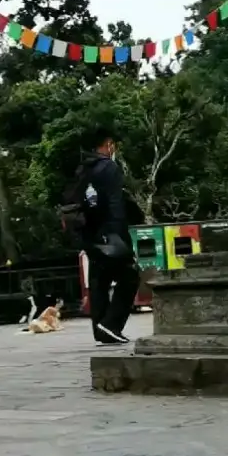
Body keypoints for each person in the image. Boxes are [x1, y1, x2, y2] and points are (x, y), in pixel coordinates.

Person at [63, 124, 139, 345]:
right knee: (129, 276)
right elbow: (115, 205)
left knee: (99, 280)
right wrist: (120, 236)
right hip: (109, 233)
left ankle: (101, 329)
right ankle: (112, 324)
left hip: (89, 234)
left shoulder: (84, 168)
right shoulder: (109, 168)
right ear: (108, 145)